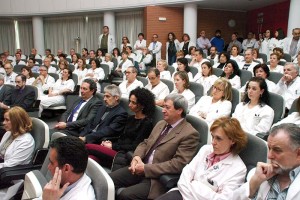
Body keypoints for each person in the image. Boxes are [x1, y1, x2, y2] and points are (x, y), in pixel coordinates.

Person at [109, 93, 200, 200]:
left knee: (125, 195)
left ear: (179, 110)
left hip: (156, 178)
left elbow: (178, 164)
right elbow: (145, 143)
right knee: (107, 180)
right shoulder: (161, 124)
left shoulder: (190, 134)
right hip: (139, 167)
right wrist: (136, 157)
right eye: (163, 106)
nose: (162, 110)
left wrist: (146, 168)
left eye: (167, 107)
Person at [156, 117, 247, 200]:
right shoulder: (206, 149)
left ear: (233, 141)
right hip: (181, 193)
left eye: (218, 139)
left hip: (186, 193)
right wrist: (206, 191)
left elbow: (223, 199)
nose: (213, 142)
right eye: (212, 137)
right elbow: (185, 175)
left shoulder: (238, 169)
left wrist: (193, 184)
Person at [86, 87, 155, 169]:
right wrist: (108, 141)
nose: (129, 105)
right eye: (130, 101)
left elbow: (135, 146)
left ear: (142, 105)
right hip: (116, 149)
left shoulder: (146, 123)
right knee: (90, 159)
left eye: (133, 103)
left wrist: (112, 146)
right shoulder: (131, 118)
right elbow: (120, 136)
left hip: (124, 155)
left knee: (88, 147)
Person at [232, 123, 300, 200]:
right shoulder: (260, 174)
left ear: (298, 154)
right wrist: (253, 183)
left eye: (277, 150)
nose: (269, 156)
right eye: (269, 148)